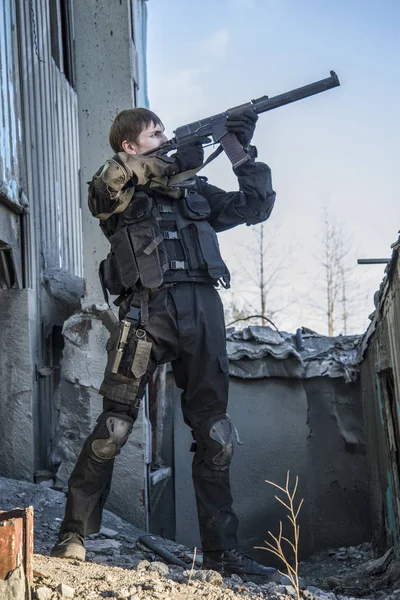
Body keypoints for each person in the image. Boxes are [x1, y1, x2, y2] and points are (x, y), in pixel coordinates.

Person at [51, 107, 278, 583]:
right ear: (129, 146)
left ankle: (221, 552)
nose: (166, 137)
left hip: (202, 310)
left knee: (215, 435)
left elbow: (255, 207)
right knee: (114, 426)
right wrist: (161, 164)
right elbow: (104, 189)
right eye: (156, 134)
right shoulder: (118, 191)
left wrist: (237, 150)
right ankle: (73, 533)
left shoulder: (193, 190)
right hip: (146, 312)